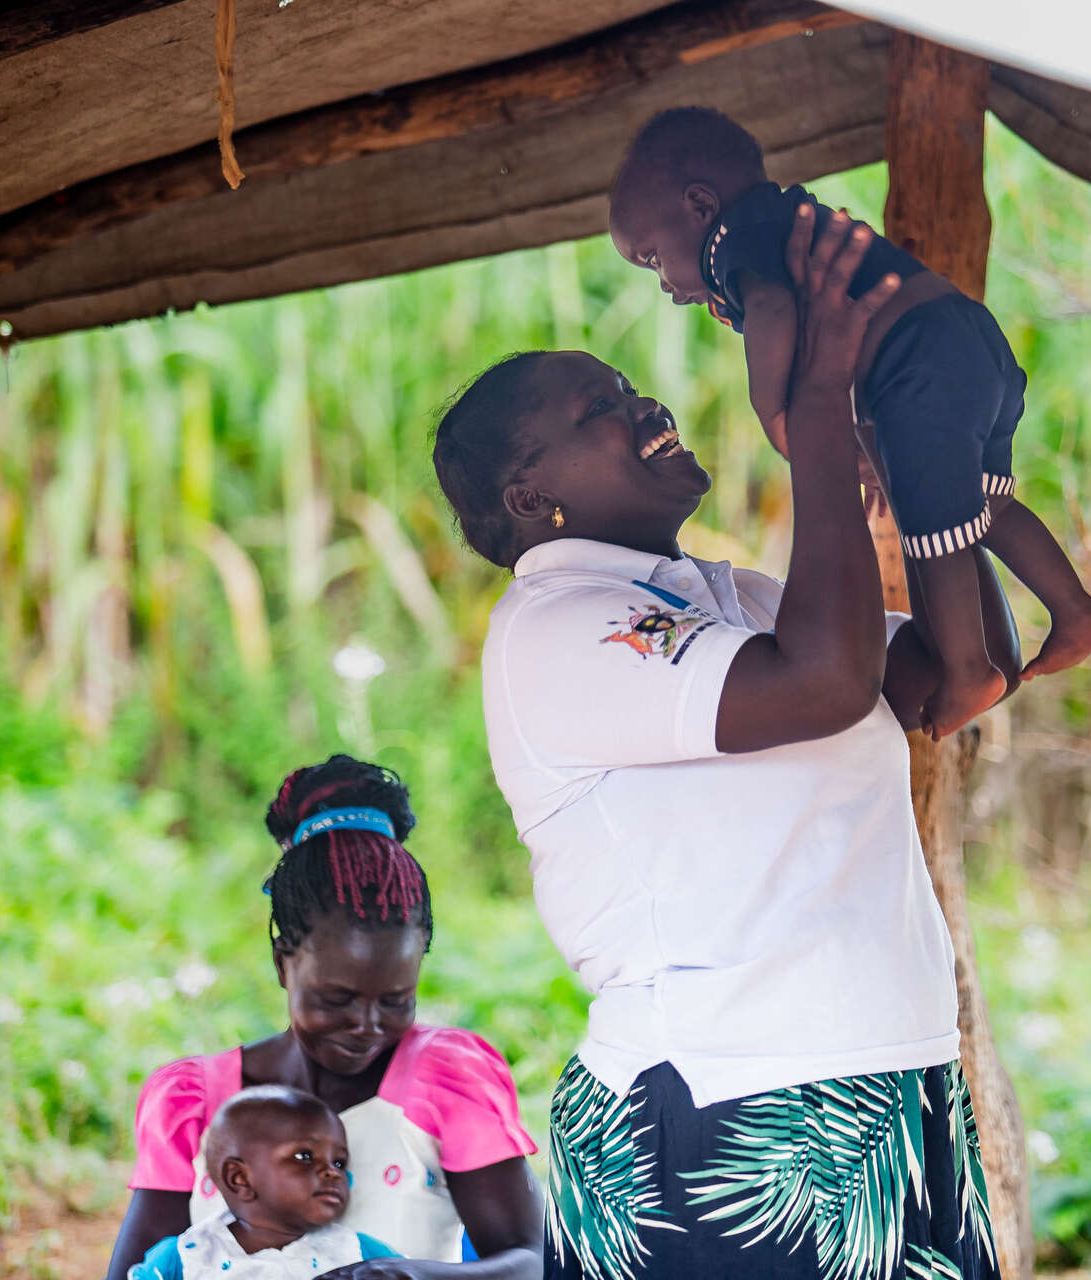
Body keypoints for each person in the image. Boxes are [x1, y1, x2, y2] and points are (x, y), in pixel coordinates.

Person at [432, 215, 1012, 1278]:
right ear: (529, 498)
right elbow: (827, 684)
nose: (642, 405)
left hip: (887, 1085)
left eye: (626, 386)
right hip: (719, 1112)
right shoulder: (559, 627)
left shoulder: (730, 598)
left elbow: (960, 672)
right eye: (598, 409)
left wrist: (920, 455)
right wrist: (817, 411)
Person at [607, 105, 1091, 740]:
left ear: (701, 206)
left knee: (932, 526)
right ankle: (1076, 610)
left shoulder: (737, 240)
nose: (663, 283)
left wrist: (774, 412)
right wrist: (867, 444)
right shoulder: (780, 220)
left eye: (653, 257)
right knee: (983, 506)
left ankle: (967, 670)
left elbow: (772, 311)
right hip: (968, 342)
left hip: (916, 361)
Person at [105, 755, 543, 1280]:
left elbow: (532, 1262)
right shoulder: (196, 1106)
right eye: (336, 999)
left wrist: (408, 1275)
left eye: (395, 999)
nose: (367, 1025)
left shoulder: (446, 1082)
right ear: (282, 963)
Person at [127, 1085, 401, 1278]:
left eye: (339, 1162)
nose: (333, 1172)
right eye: (305, 1156)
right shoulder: (185, 1258)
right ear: (240, 1178)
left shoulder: (362, 1254)